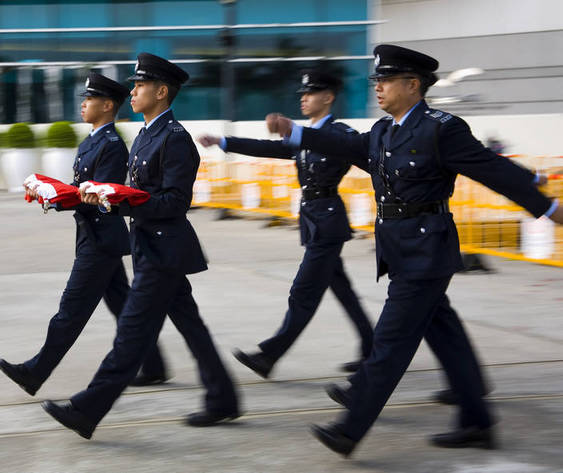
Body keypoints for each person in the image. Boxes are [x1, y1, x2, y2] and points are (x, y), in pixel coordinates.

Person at [268, 44, 563, 457]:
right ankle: (476, 420)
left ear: (413, 85)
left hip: (427, 248)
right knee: (442, 330)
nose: (379, 88)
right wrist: (294, 131)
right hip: (399, 246)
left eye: (386, 81)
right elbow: (345, 147)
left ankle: (350, 429)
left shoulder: (442, 128)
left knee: (390, 342)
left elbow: (490, 169)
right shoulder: (383, 131)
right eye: (377, 81)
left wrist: (547, 207)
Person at [41, 53, 240, 439]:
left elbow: (174, 204)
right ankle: (223, 398)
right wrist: (100, 198)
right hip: (151, 246)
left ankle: (87, 409)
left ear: (161, 91)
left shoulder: (176, 140)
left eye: (140, 85)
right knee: (191, 327)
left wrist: (124, 199)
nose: (132, 91)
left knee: (131, 334)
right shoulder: (147, 135)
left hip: (164, 251)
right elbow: (134, 195)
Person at [0, 71, 168, 397]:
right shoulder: (91, 141)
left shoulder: (113, 146)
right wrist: (50, 190)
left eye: (89, 99)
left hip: (101, 239)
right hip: (95, 236)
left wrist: (58, 197)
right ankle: (154, 364)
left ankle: (36, 372)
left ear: (107, 105)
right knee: (125, 307)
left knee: (71, 310)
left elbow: (99, 195)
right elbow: (80, 189)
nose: (83, 104)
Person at [197, 70, 374, 377]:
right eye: (302, 94)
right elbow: (268, 148)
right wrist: (223, 141)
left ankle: (269, 355)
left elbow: (359, 154)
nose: (304, 98)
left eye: (311, 93)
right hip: (314, 221)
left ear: (329, 97)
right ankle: (371, 346)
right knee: (342, 289)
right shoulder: (302, 134)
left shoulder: (339, 133)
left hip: (328, 224)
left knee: (304, 292)